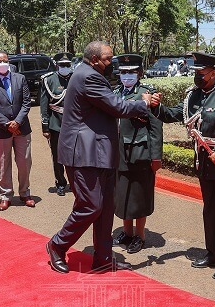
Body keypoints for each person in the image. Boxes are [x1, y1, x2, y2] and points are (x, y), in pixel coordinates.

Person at [46, 41, 152, 274]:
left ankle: (102, 257)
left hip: (99, 153)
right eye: (107, 59)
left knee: (105, 207)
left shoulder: (89, 73)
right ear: (94, 59)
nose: (111, 63)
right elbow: (118, 107)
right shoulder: (88, 77)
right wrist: (142, 104)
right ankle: (57, 244)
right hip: (83, 153)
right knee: (90, 206)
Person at [151, 52, 215, 280]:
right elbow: (173, 114)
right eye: (195, 73)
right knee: (210, 209)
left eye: (201, 73)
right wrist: (157, 107)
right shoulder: (193, 96)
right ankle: (212, 253)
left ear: (213, 73)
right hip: (205, 162)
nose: (197, 77)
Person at [111, 54, 163, 254]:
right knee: (123, 193)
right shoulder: (115, 92)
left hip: (141, 153)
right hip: (119, 153)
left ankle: (140, 236)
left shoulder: (147, 94)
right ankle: (127, 231)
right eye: (123, 72)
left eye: (131, 72)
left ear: (140, 73)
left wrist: (156, 156)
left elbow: (155, 127)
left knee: (139, 195)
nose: (127, 76)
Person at [0, 50, 34, 210]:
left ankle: (25, 193)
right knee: (4, 164)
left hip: (22, 129)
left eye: (5, 60)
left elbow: (27, 102)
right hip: (1, 130)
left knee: (24, 162)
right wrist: (7, 124)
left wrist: (17, 122)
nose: (2, 63)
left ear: (9, 61)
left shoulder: (20, 79)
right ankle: (6, 194)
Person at [40, 52, 73, 196]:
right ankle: (60, 183)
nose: (65, 67)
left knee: (75, 155)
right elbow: (44, 104)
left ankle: (75, 182)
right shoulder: (49, 80)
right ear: (56, 65)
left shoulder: (75, 79)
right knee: (58, 155)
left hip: (74, 123)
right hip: (56, 123)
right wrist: (45, 126)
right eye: (62, 65)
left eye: (67, 65)